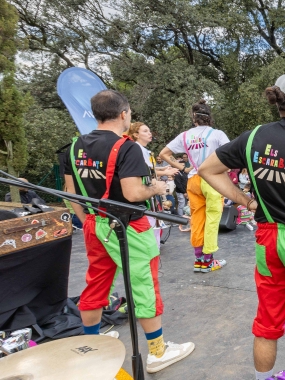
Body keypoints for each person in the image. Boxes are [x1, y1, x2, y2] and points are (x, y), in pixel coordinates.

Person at [198, 74, 285, 380]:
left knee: (267, 321)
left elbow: (207, 169)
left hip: (266, 238)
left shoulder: (253, 137)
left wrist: (247, 202)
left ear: (279, 103)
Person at [61, 90, 193, 373]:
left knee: (96, 282)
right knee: (145, 286)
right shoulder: (126, 147)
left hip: (95, 225)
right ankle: (157, 351)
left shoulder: (73, 148)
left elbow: (70, 194)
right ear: (123, 114)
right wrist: (157, 187)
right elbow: (133, 193)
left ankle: (92, 343)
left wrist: (88, 221)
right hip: (127, 227)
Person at [159, 99, 229, 273]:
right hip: (212, 179)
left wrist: (182, 167)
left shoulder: (185, 136)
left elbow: (164, 154)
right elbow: (230, 154)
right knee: (212, 218)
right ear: (209, 117)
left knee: (197, 218)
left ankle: (198, 259)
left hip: (193, 179)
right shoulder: (217, 134)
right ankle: (208, 260)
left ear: (194, 118)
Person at [126, 122, 180, 249]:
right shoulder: (137, 149)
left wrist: (163, 170)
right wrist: (165, 172)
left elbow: (150, 170)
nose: (149, 133)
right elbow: (145, 172)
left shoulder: (144, 150)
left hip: (151, 191)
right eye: (145, 131)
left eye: (149, 130)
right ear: (135, 135)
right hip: (146, 193)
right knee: (150, 222)